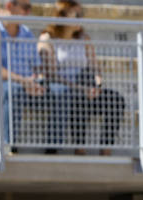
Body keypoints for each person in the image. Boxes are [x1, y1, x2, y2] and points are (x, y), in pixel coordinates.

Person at [0, 0, 68, 150]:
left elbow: (37, 68)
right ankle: (8, 148)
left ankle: (53, 149)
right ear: (9, 6)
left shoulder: (26, 33)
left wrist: (36, 82)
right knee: (13, 90)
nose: (29, 12)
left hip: (23, 86)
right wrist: (23, 81)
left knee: (60, 91)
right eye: (25, 8)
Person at [37, 0, 125, 154]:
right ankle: (80, 147)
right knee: (78, 95)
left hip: (86, 87)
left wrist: (97, 86)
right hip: (63, 89)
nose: (81, 18)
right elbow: (51, 74)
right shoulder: (47, 38)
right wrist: (81, 88)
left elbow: (96, 69)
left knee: (116, 99)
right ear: (62, 16)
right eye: (77, 15)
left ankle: (106, 149)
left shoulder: (84, 39)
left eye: (81, 14)